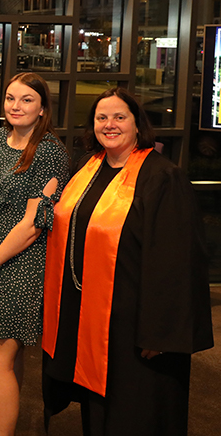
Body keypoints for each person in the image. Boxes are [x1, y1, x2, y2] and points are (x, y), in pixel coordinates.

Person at [42, 87, 213, 435]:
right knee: (99, 408)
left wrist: (159, 332)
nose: (110, 125)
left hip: (138, 326)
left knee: (136, 412)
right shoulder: (86, 169)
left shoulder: (162, 177)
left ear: (138, 124)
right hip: (92, 316)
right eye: (102, 118)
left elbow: (177, 263)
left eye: (120, 117)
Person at [0, 72, 69, 436]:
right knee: (9, 355)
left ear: (42, 107)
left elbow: (33, 225)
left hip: (25, 261)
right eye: (11, 98)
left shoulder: (49, 152)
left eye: (27, 99)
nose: (16, 106)